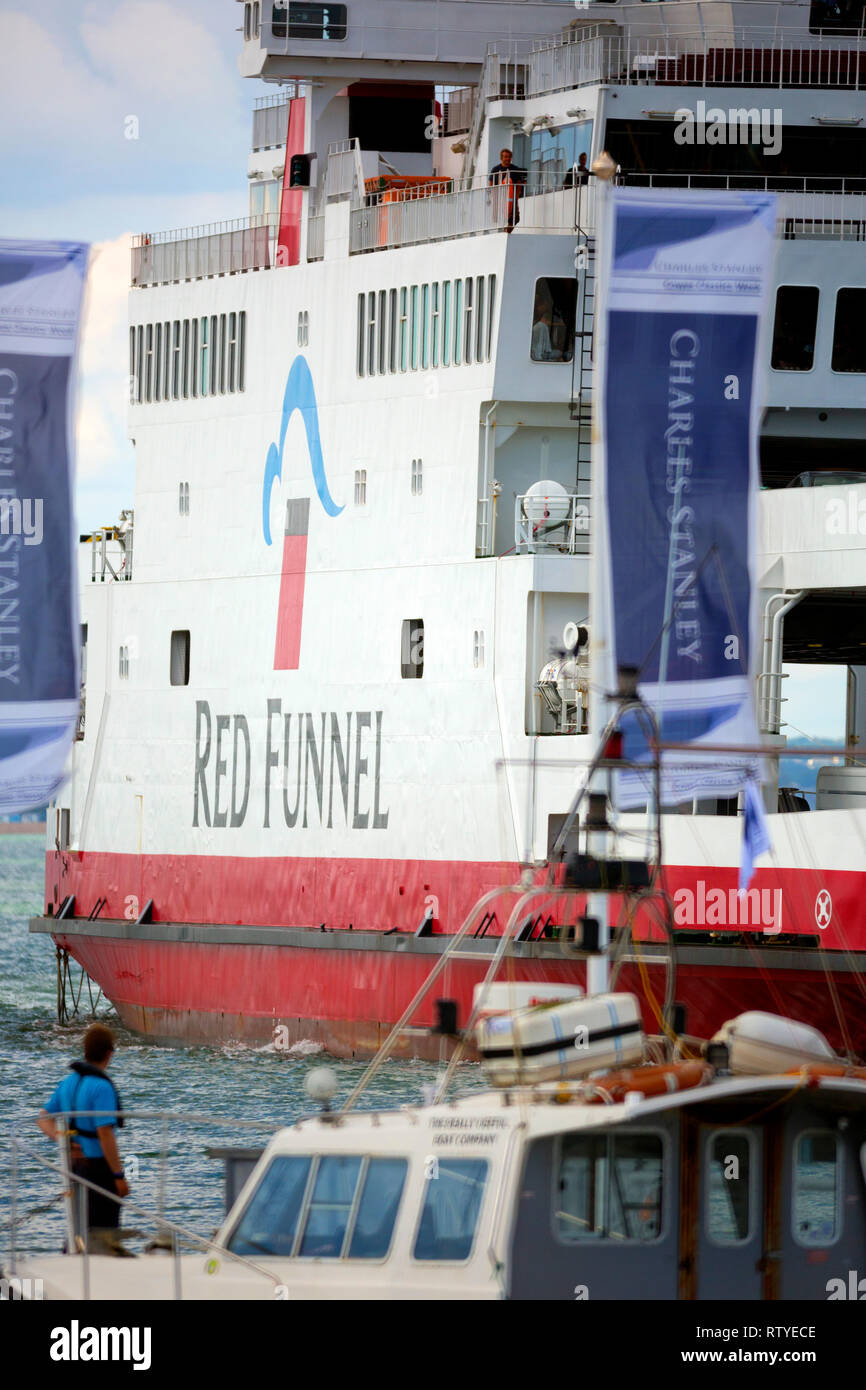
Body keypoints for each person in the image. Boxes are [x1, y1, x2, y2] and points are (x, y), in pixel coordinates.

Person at [37, 1023, 128, 1246]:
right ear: (109, 1053)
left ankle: (75, 1259)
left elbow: (43, 1117)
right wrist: (118, 1176)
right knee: (104, 1233)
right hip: (99, 1169)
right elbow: (105, 1134)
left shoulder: (69, 1082)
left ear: (86, 1051)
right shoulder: (101, 1087)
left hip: (74, 1167)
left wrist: (62, 1139)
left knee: (79, 1227)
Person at [489, 148, 527, 228]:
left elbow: (519, 183)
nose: (508, 159)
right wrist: (493, 194)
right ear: (501, 158)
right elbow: (491, 182)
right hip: (499, 197)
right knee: (498, 217)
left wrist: (516, 196)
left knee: (515, 218)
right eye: (505, 157)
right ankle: (501, 232)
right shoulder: (495, 169)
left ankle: (507, 231)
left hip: (511, 197)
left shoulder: (515, 169)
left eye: (509, 157)